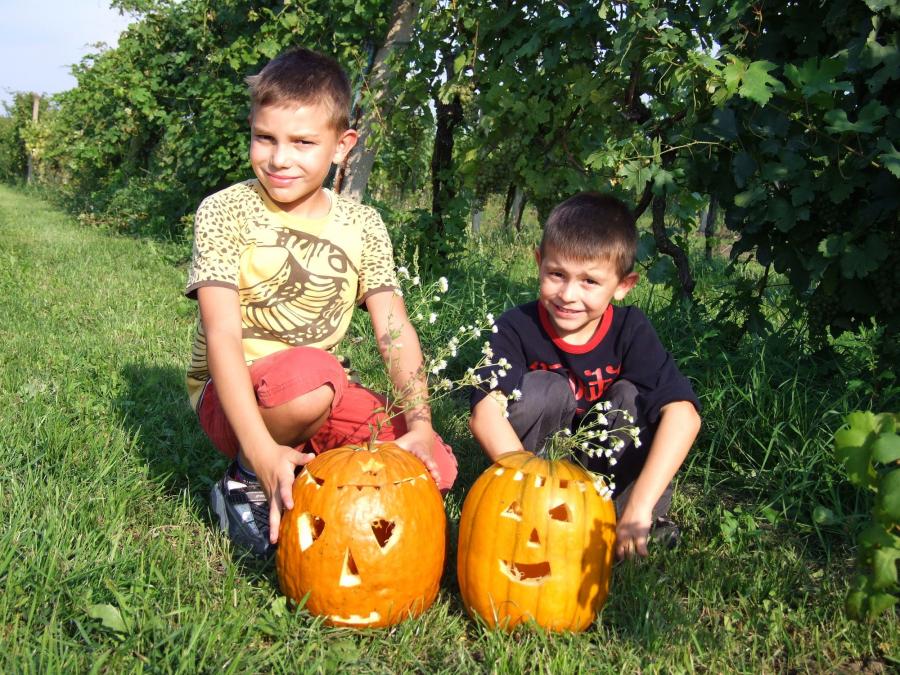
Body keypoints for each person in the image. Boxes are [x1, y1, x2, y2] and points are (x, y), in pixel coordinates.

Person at [184, 47, 457, 557]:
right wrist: (260, 451)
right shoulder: (224, 210)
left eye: (303, 142)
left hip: (319, 391)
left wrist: (420, 424)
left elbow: (393, 329)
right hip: (232, 396)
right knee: (312, 376)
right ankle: (246, 478)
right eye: (264, 137)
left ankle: (310, 472)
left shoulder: (363, 224)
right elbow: (221, 333)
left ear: (341, 146)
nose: (279, 159)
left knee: (430, 463)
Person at [469, 192, 700, 560]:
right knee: (545, 387)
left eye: (589, 281)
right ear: (539, 262)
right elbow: (485, 412)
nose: (568, 294)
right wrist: (528, 489)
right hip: (534, 472)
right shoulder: (516, 327)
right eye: (557, 274)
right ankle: (521, 507)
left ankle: (633, 519)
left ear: (623, 285)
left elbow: (684, 416)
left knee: (631, 397)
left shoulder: (631, 331)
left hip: (612, 482)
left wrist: (641, 506)